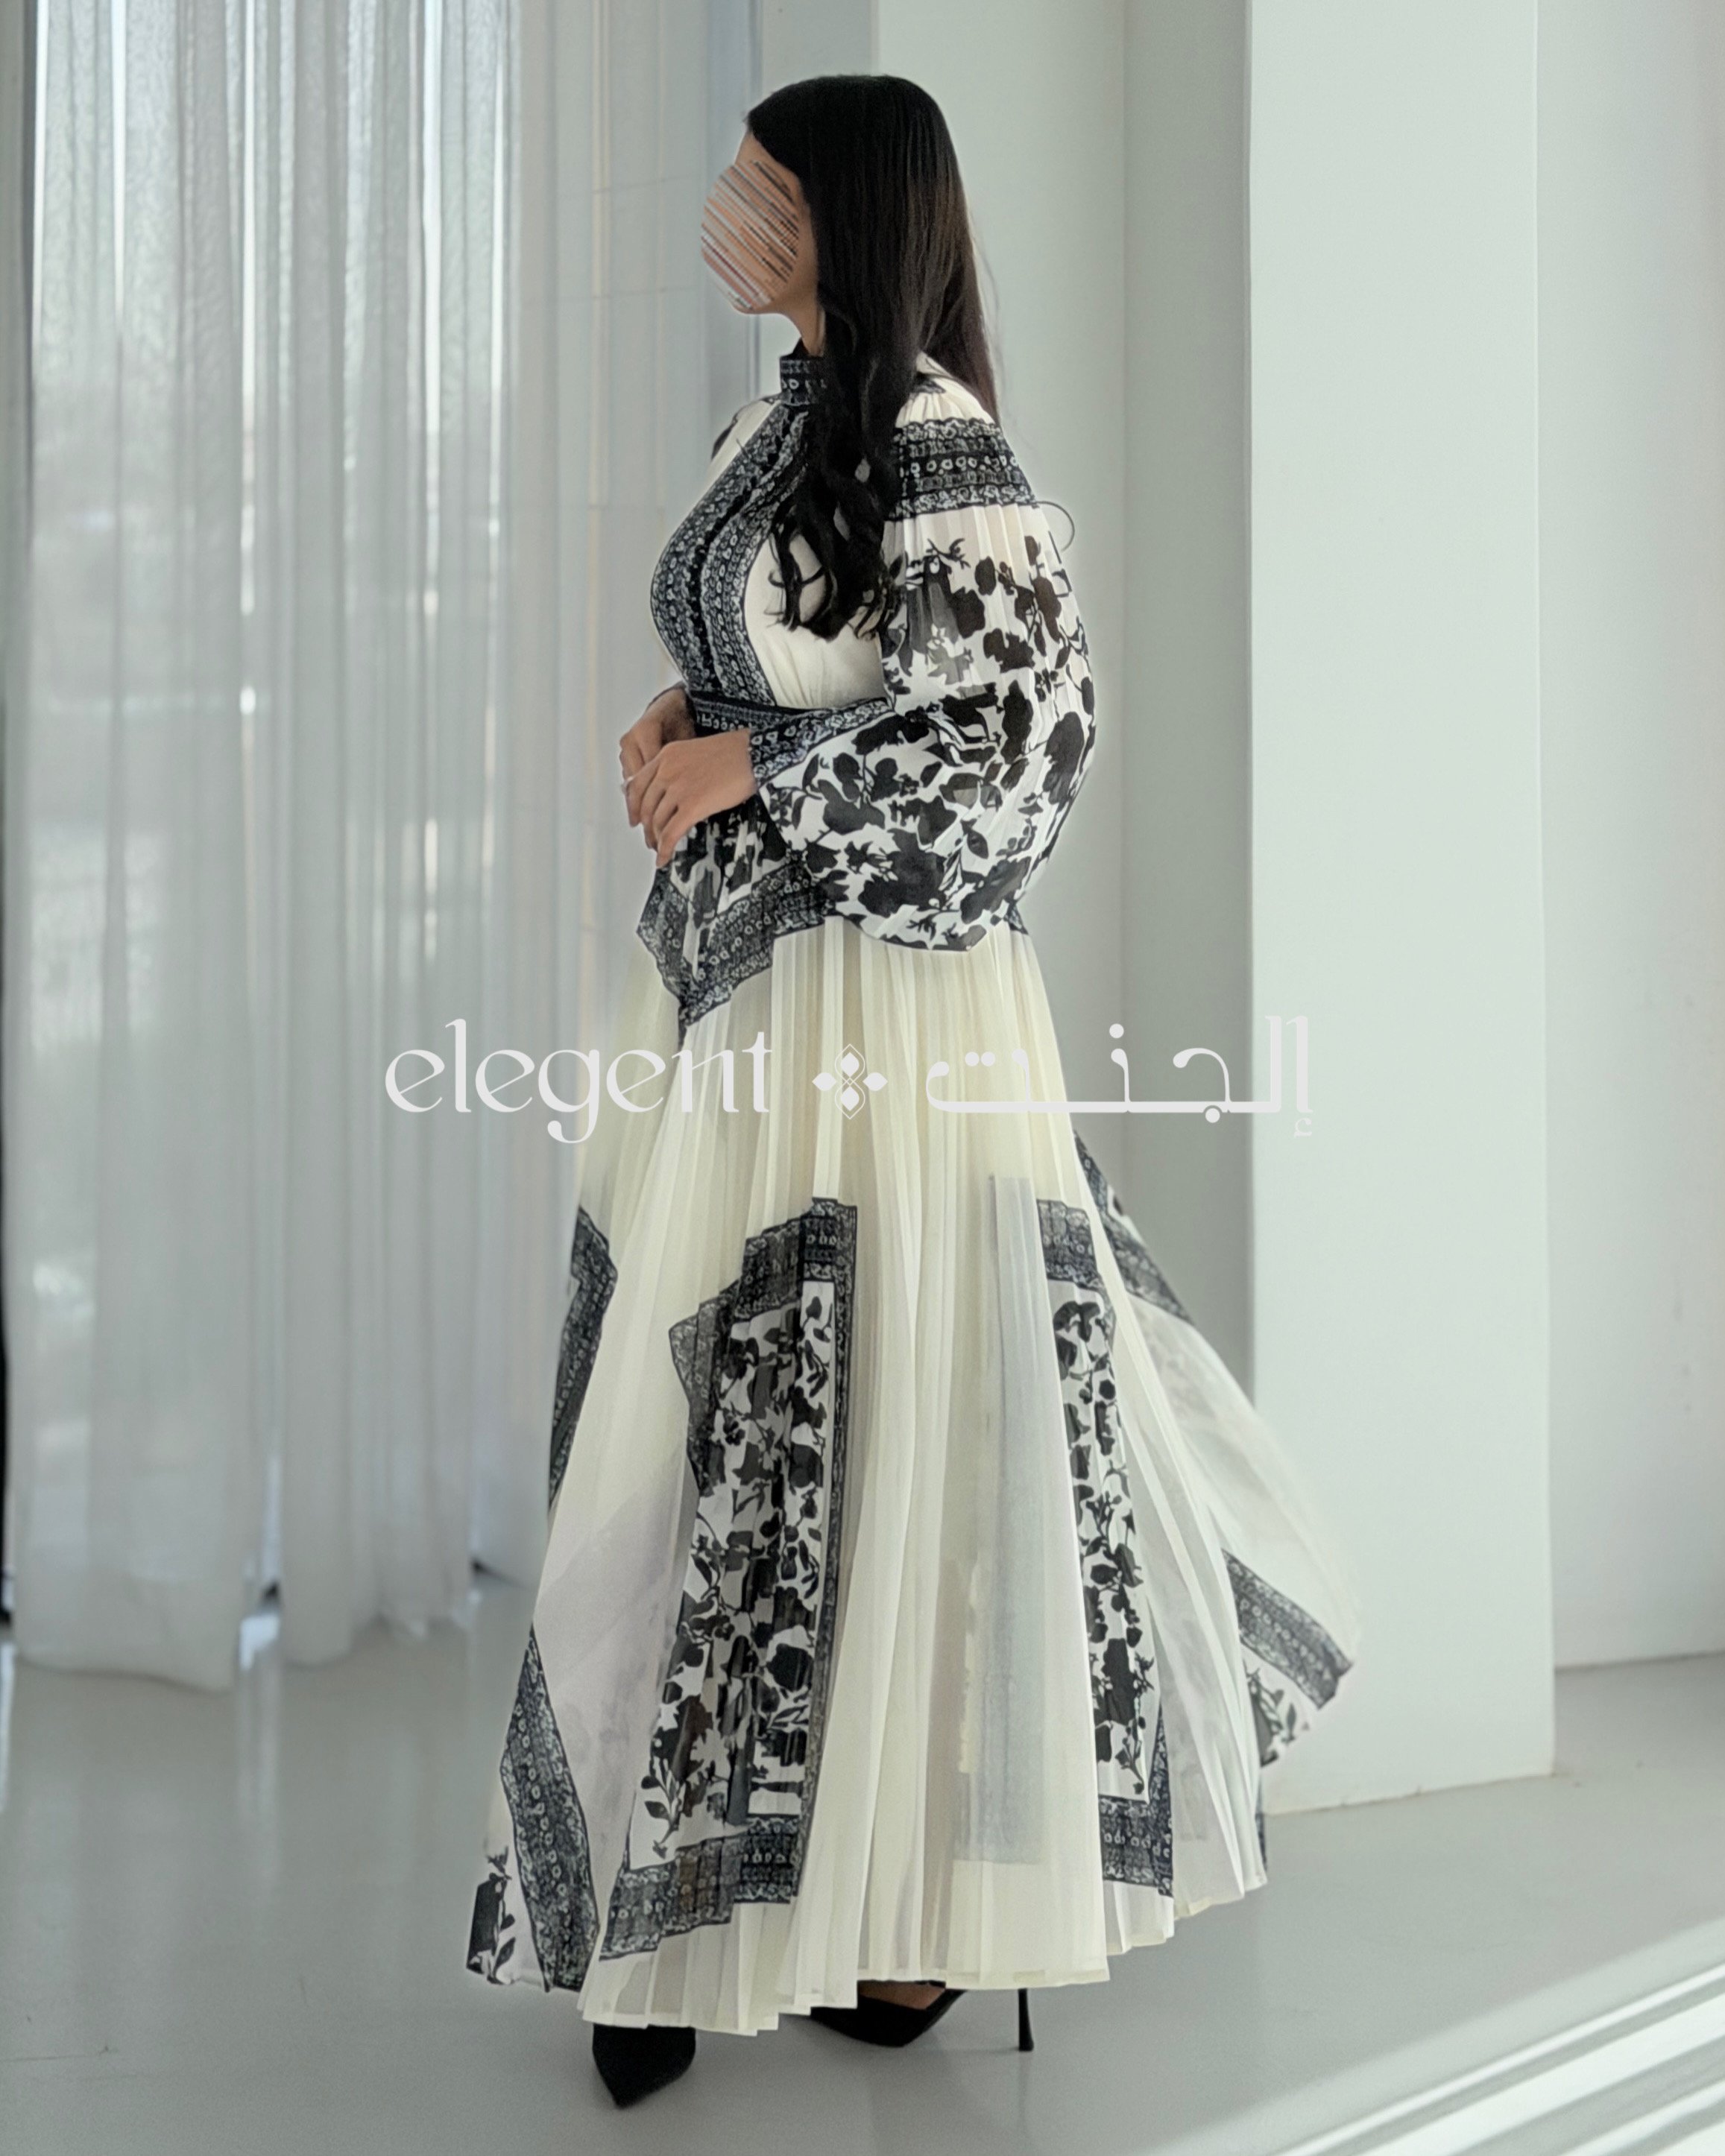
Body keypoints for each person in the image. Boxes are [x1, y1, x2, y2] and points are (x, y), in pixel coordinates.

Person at [464, 72, 1362, 2109]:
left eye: (758, 182)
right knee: (689, 1422)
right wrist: (687, 715)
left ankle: (881, 1916)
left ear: (838, 218)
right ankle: (673, 1921)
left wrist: (756, 767)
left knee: (868, 1430)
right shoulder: (780, 420)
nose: (721, 203)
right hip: (736, 1004)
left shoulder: (940, 447)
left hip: (875, 1022)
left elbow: (1016, 758)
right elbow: (803, 651)